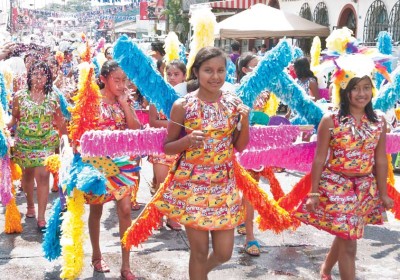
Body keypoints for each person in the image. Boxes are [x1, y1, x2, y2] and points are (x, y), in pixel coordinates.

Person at [157, 46, 250, 279]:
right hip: (193, 185)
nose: (215, 76)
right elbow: (167, 147)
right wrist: (187, 141)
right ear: (197, 72)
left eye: (221, 70)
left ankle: (199, 274)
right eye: (208, 70)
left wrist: (245, 121)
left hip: (224, 185)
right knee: (198, 253)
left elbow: (239, 146)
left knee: (224, 253)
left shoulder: (232, 103)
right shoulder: (183, 106)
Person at [294, 74, 394, 280]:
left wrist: (383, 193)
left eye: (367, 87)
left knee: (346, 233)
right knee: (349, 243)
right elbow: (319, 159)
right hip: (336, 186)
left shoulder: (379, 120)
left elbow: (381, 160)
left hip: (365, 188)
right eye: (355, 88)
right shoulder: (330, 119)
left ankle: (325, 269)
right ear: (344, 90)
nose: (362, 93)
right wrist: (313, 192)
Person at [86, 60, 141, 280]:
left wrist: (126, 104)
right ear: (103, 79)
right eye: (116, 80)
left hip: (123, 166)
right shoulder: (91, 101)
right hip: (97, 164)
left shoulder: (123, 101)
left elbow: (135, 130)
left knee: (126, 210)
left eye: (124, 80)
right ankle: (96, 255)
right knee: (96, 211)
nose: (120, 84)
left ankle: (126, 265)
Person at [7, 61, 67, 231]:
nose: (39, 77)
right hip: (24, 144)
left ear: (48, 77)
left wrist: (68, 142)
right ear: (29, 76)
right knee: (27, 177)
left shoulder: (53, 97)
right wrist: (4, 128)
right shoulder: (19, 96)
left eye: (43, 74)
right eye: (35, 74)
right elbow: (14, 119)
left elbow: (60, 122)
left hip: (46, 143)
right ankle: (30, 205)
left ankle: (41, 217)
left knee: (43, 176)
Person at [235, 52, 271, 256]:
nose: (260, 69)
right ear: (245, 70)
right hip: (240, 146)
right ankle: (249, 236)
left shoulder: (266, 91)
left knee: (250, 188)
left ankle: (246, 226)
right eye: (255, 65)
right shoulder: (237, 92)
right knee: (248, 189)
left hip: (258, 147)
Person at [148, 59, 187, 230]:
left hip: (181, 145)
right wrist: (176, 124)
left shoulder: (189, 97)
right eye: (169, 74)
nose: (172, 78)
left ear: (184, 77)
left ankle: (173, 217)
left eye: (176, 74)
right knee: (161, 183)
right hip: (160, 145)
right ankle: (157, 216)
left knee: (177, 184)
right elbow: (153, 121)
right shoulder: (156, 94)